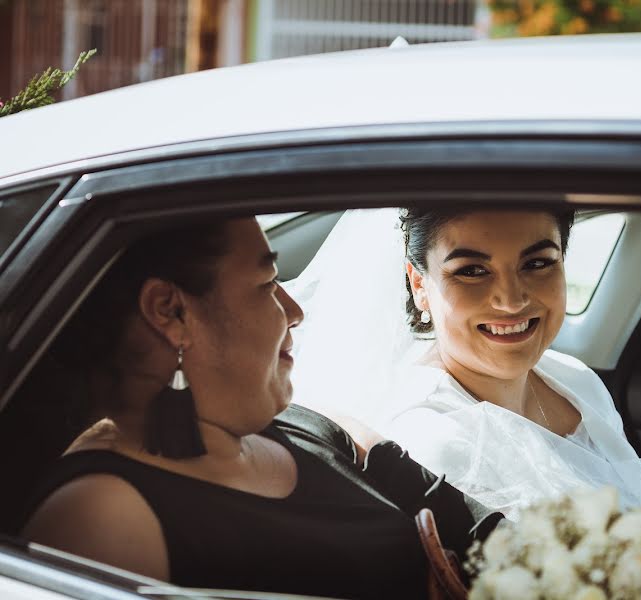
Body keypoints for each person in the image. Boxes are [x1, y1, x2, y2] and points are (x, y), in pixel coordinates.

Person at [288, 207, 641, 600]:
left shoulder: (570, 377)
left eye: (538, 262)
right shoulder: (437, 442)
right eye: (471, 271)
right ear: (419, 285)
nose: (511, 298)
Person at [17, 218, 503, 599]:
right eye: (268, 281)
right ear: (171, 311)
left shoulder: (312, 426)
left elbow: (484, 532)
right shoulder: (104, 516)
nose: (294, 310)